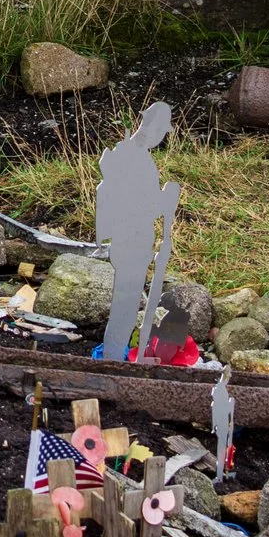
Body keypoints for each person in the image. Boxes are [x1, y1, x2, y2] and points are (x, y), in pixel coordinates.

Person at [96, 101, 180, 361]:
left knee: (128, 304)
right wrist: (165, 200)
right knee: (125, 303)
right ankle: (111, 356)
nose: (161, 137)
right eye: (162, 131)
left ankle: (115, 353)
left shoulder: (137, 156)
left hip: (136, 239)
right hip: (129, 240)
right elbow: (133, 205)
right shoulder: (131, 156)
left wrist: (163, 201)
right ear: (151, 127)